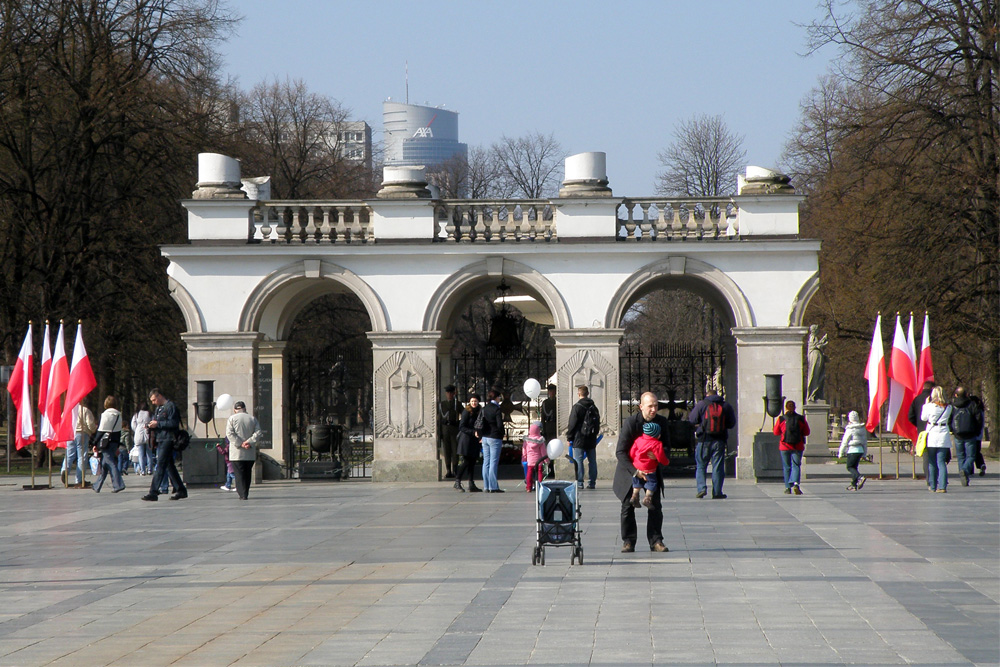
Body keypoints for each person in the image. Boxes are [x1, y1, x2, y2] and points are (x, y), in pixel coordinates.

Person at [614, 392, 670, 553]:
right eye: (650, 406)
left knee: (654, 506)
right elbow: (620, 452)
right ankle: (628, 541)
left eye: (656, 406)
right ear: (641, 407)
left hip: (652, 471)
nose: (654, 409)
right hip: (630, 470)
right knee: (627, 506)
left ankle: (656, 541)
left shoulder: (662, 422)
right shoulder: (631, 423)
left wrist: (659, 456)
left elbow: (667, 447)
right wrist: (635, 471)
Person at [688, 389, 737, 499]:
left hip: (703, 440)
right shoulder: (726, 406)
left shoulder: (702, 404)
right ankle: (717, 492)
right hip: (719, 440)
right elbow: (731, 424)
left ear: (707, 395)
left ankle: (701, 489)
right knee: (718, 467)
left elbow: (692, 419)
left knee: (701, 466)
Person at [142, 388, 187, 501]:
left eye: (154, 400)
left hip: (169, 439)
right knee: (169, 465)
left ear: (159, 396)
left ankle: (153, 492)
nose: (153, 403)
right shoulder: (158, 409)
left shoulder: (170, 406)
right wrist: (150, 425)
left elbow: (173, 423)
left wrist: (158, 424)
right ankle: (181, 489)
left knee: (161, 464)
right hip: (161, 439)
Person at [226, 401, 263, 500]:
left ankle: (242, 494)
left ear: (235, 410)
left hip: (237, 453)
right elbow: (258, 432)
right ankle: (246, 491)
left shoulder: (232, 419)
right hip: (249, 452)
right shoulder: (252, 418)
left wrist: (240, 443)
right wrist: (249, 442)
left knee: (239, 474)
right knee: (247, 473)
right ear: (245, 409)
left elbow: (229, 434)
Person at [774, 400, 811, 495]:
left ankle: (787, 488)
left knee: (787, 467)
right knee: (796, 465)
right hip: (797, 446)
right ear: (795, 407)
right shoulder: (801, 419)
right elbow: (807, 432)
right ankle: (796, 484)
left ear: (786, 408)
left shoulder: (781, 419)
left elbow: (776, 432)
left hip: (784, 446)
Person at [566, 385, 600, 489]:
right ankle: (592, 482)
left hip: (579, 437)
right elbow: (598, 422)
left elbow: (572, 423)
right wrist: (595, 434)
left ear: (579, 394)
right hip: (591, 437)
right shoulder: (593, 407)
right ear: (588, 394)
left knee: (579, 460)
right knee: (592, 461)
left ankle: (580, 483)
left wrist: (569, 437)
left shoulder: (577, 407)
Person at [629, 422, 669, 508]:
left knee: (636, 482)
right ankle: (647, 499)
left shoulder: (638, 440)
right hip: (649, 468)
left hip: (637, 467)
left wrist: (634, 460)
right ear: (657, 435)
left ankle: (634, 496)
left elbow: (632, 452)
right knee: (652, 482)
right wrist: (666, 462)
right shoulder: (657, 444)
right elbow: (660, 457)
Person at [949, 386, 983, 487]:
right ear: (967, 394)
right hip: (970, 434)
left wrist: (952, 430)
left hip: (958, 434)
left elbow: (949, 419)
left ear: (956, 395)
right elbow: (978, 419)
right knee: (971, 456)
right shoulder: (972, 404)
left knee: (961, 456)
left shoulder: (953, 406)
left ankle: (963, 476)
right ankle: (965, 470)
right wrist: (977, 431)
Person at [921, 386, 953, 492]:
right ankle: (943, 486)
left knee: (931, 461)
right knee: (941, 462)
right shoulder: (949, 407)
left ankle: (933, 485)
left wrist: (926, 404)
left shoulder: (929, 406)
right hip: (943, 433)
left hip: (932, 433)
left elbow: (923, 418)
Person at [91, 396, 125, 494]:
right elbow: (118, 431)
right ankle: (97, 485)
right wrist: (117, 445)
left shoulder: (105, 415)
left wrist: (94, 443)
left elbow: (101, 430)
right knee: (104, 464)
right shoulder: (119, 415)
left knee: (110, 462)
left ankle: (119, 484)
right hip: (114, 441)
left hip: (106, 442)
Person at [61, 403, 97, 487]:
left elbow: (62, 420)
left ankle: (65, 470)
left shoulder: (67, 410)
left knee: (69, 454)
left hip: (70, 433)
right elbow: (90, 424)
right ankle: (79, 479)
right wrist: (94, 430)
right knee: (82, 456)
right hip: (81, 432)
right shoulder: (84, 410)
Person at [908, 380, 935, 487]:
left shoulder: (917, 399)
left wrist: (918, 424)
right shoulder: (936, 400)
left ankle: (929, 479)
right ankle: (938, 477)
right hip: (935, 430)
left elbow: (910, 416)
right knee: (938, 456)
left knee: (926, 457)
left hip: (922, 431)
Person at [454, 394, 482, 492]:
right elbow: (462, 426)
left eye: (475, 401)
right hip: (466, 440)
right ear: (469, 402)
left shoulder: (479, 411)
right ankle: (457, 481)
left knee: (472, 462)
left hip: (474, 440)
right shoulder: (466, 411)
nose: (474, 403)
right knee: (466, 461)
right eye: (472, 401)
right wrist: (473, 432)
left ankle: (471, 483)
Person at [479, 388, 505, 493]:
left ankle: (486, 486)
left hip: (485, 437)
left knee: (486, 462)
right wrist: (502, 433)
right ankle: (493, 486)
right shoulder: (496, 409)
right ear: (496, 397)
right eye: (499, 397)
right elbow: (499, 425)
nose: (500, 399)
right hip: (494, 437)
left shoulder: (484, 408)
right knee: (493, 462)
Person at [838, 410, 868, 491]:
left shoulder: (850, 429)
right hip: (860, 450)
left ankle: (860, 477)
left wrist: (840, 452)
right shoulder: (862, 428)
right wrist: (864, 454)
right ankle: (853, 485)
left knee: (850, 467)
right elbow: (865, 442)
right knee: (855, 468)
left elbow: (845, 441)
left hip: (852, 450)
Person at [437, 384, 462, 479]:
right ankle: (448, 470)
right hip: (445, 429)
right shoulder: (441, 404)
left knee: (455, 450)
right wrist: (439, 432)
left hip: (454, 429)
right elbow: (438, 419)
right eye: (448, 393)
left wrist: (459, 423)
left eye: (451, 393)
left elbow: (463, 414)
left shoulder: (457, 404)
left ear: (454, 393)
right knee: (446, 451)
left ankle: (455, 469)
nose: (449, 394)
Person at [522, 421, 548, 492]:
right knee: (539, 472)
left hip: (530, 460)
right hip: (539, 460)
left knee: (529, 473)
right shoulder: (540, 440)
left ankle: (528, 487)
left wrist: (523, 459)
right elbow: (543, 452)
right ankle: (539, 486)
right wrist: (546, 460)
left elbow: (524, 451)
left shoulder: (526, 441)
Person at [540, 384, 557, 479]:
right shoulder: (545, 402)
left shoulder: (558, 402)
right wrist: (543, 429)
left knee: (555, 449)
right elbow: (543, 416)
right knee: (548, 449)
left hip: (555, 427)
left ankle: (553, 468)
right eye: (550, 391)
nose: (551, 392)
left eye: (553, 390)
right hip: (548, 427)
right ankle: (549, 468)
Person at [131, 401, 152, 475]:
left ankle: (142, 470)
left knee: (141, 454)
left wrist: (137, 429)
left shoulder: (136, 415)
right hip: (147, 434)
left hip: (138, 435)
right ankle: (150, 469)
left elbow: (133, 425)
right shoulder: (149, 414)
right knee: (149, 454)